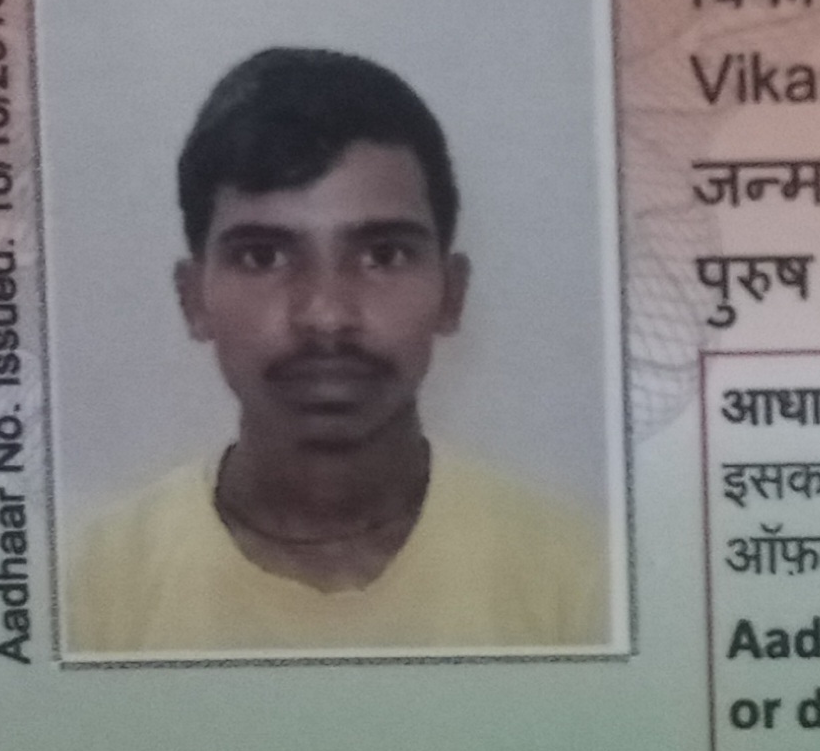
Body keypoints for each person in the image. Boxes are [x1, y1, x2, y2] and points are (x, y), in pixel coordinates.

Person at [67, 47, 609, 654]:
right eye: (263, 257)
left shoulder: (581, 581)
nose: (326, 316)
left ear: (452, 294)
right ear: (193, 300)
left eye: (383, 255)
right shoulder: (88, 590)